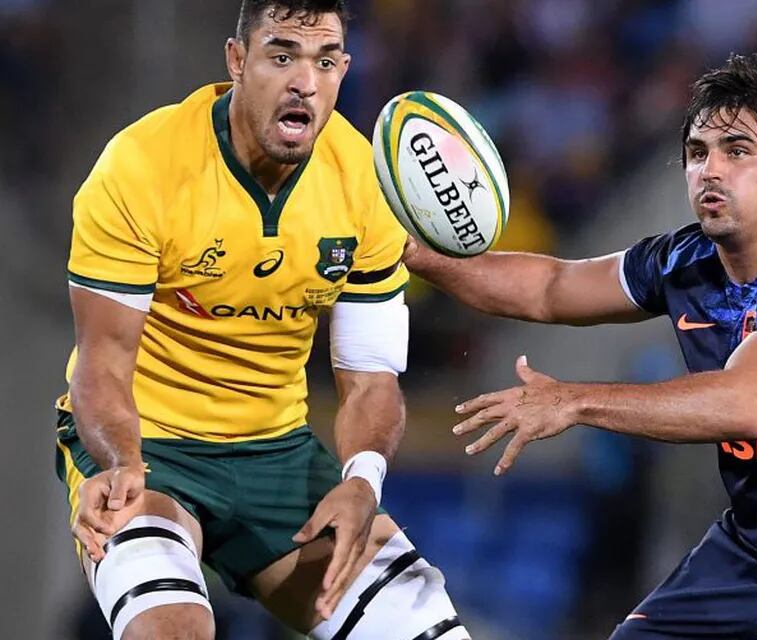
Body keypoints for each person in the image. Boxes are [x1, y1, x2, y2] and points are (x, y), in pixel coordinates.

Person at [403, 54, 757, 639]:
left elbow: (746, 404)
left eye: (737, 151)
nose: (710, 170)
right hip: (747, 560)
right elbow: (550, 287)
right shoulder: (684, 260)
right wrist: (409, 253)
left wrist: (574, 401)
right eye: (697, 152)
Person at [54, 2, 470, 639]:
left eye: (324, 60)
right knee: (169, 630)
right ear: (237, 60)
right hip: (148, 446)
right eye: (282, 56)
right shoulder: (142, 166)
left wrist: (362, 480)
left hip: (277, 452)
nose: (305, 80)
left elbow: (371, 380)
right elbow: (103, 364)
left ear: (344, 70)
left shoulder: (365, 183)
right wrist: (118, 462)